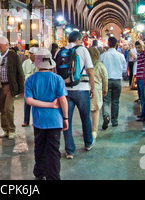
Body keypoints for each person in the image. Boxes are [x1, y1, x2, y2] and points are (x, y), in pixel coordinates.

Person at [25, 48, 68, 180]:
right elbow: (63, 100)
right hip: (55, 120)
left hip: (39, 121)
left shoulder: (30, 80)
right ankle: (53, 176)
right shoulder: (57, 79)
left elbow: (29, 100)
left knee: (40, 148)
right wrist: (65, 118)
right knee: (54, 151)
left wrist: (46, 104)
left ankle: (39, 172)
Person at [61, 31, 95, 159]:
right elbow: (90, 71)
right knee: (85, 118)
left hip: (65, 91)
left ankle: (69, 150)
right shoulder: (82, 50)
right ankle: (88, 143)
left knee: (66, 120)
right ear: (78, 40)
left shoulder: (60, 51)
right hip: (82, 89)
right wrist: (93, 87)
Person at [0, 36, 25, 140]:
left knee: (8, 108)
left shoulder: (13, 56)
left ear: (7, 45)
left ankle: (11, 129)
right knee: (2, 109)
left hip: (9, 86)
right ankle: (5, 129)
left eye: (1, 43)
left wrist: (21, 89)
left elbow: (20, 72)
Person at [100, 36, 127, 129]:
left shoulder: (103, 56)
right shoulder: (121, 56)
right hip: (117, 81)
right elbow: (124, 69)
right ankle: (114, 121)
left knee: (106, 101)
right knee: (115, 101)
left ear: (108, 44)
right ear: (116, 44)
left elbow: (100, 68)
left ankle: (106, 115)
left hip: (106, 81)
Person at [87, 46, 108, 139]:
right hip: (97, 89)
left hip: (86, 88)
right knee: (95, 110)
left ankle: (86, 129)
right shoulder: (100, 65)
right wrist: (105, 89)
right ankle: (94, 131)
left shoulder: (85, 64)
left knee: (85, 111)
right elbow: (105, 78)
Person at [22, 46, 39, 127]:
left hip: (37, 87)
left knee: (36, 104)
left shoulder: (39, 63)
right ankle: (26, 120)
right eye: (31, 54)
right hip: (28, 87)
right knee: (27, 103)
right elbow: (22, 74)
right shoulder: (25, 63)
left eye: (33, 54)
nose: (32, 56)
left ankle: (36, 120)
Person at [135, 40, 145, 122]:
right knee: (141, 97)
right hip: (139, 78)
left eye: (139, 47)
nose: (137, 49)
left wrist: (143, 46)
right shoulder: (139, 55)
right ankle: (143, 113)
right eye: (136, 48)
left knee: (143, 98)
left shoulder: (144, 54)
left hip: (143, 78)